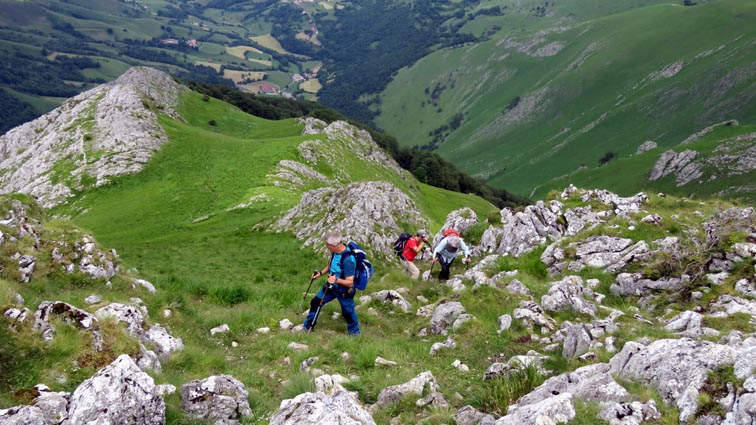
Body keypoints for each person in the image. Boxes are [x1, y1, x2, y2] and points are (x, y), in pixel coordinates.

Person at [303, 232, 360, 335]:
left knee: (348, 312)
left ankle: (355, 333)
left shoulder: (348, 260)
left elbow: (350, 283)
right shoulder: (335, 252)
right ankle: (308, 327)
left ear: (333, 245)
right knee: (315, 302)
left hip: (344, 290)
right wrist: (320, 273)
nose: (327, 248)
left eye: (327, 246)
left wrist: (336, 280)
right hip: (331, 287)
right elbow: (331, 265)